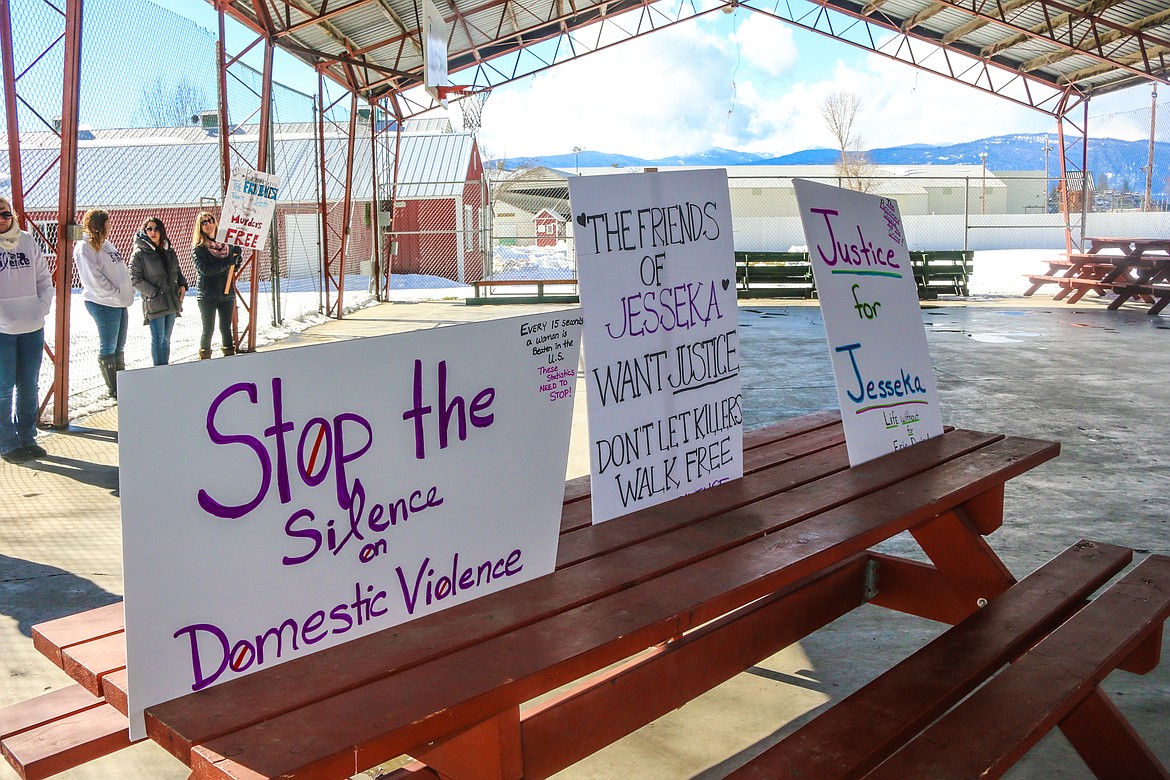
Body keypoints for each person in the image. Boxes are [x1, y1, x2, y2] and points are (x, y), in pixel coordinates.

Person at [0, 196, 54, 463]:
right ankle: (7, 442)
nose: (1, 219)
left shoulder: (26, 241)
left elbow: (44, 279)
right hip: (2, 332)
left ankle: (27, 437)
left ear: (12, 215)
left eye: (5, 214)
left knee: (29, 386)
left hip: (32, 326)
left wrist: (40, 308)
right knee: (3, 388)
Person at [74, 209, 134, 398]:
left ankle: (122, 384)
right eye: (107, 222)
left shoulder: (107, 245)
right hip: (103, 303)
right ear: (99, 224)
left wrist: (127, 291)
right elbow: (94, 279)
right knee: (108, 345)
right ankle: (114, 388)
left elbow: (119, 270)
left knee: (119, 345)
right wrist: (114, 294)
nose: (110, 225)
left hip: (120, 302)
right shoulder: (85, 248)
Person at [129, 217, 187, 366]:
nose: (153, 232)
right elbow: (134, 278)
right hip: (155, 303)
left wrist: (182, 285)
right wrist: (154, 292)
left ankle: (164, 368)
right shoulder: (140, 254)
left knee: (167, 338)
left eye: (155, 228)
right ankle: (158, 369)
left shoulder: (169, 250)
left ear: (161, 230)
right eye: (149, 229)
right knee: (158, 338)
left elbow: (177, 271)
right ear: (145, 231)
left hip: (172, 301)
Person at [190, 211, 241, 359]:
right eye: (203, 222)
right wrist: (228, 262)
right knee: (208, 329)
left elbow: (233, 268)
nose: (207, 224)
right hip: (208, 295)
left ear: (215, 222)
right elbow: (205, 270)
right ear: (200, 227)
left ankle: (229, 357)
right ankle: (205, 359)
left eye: (209, 220)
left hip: (226, 292)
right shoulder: (199, 248)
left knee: (226, 328)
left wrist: (236, 259)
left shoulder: (226, 244)